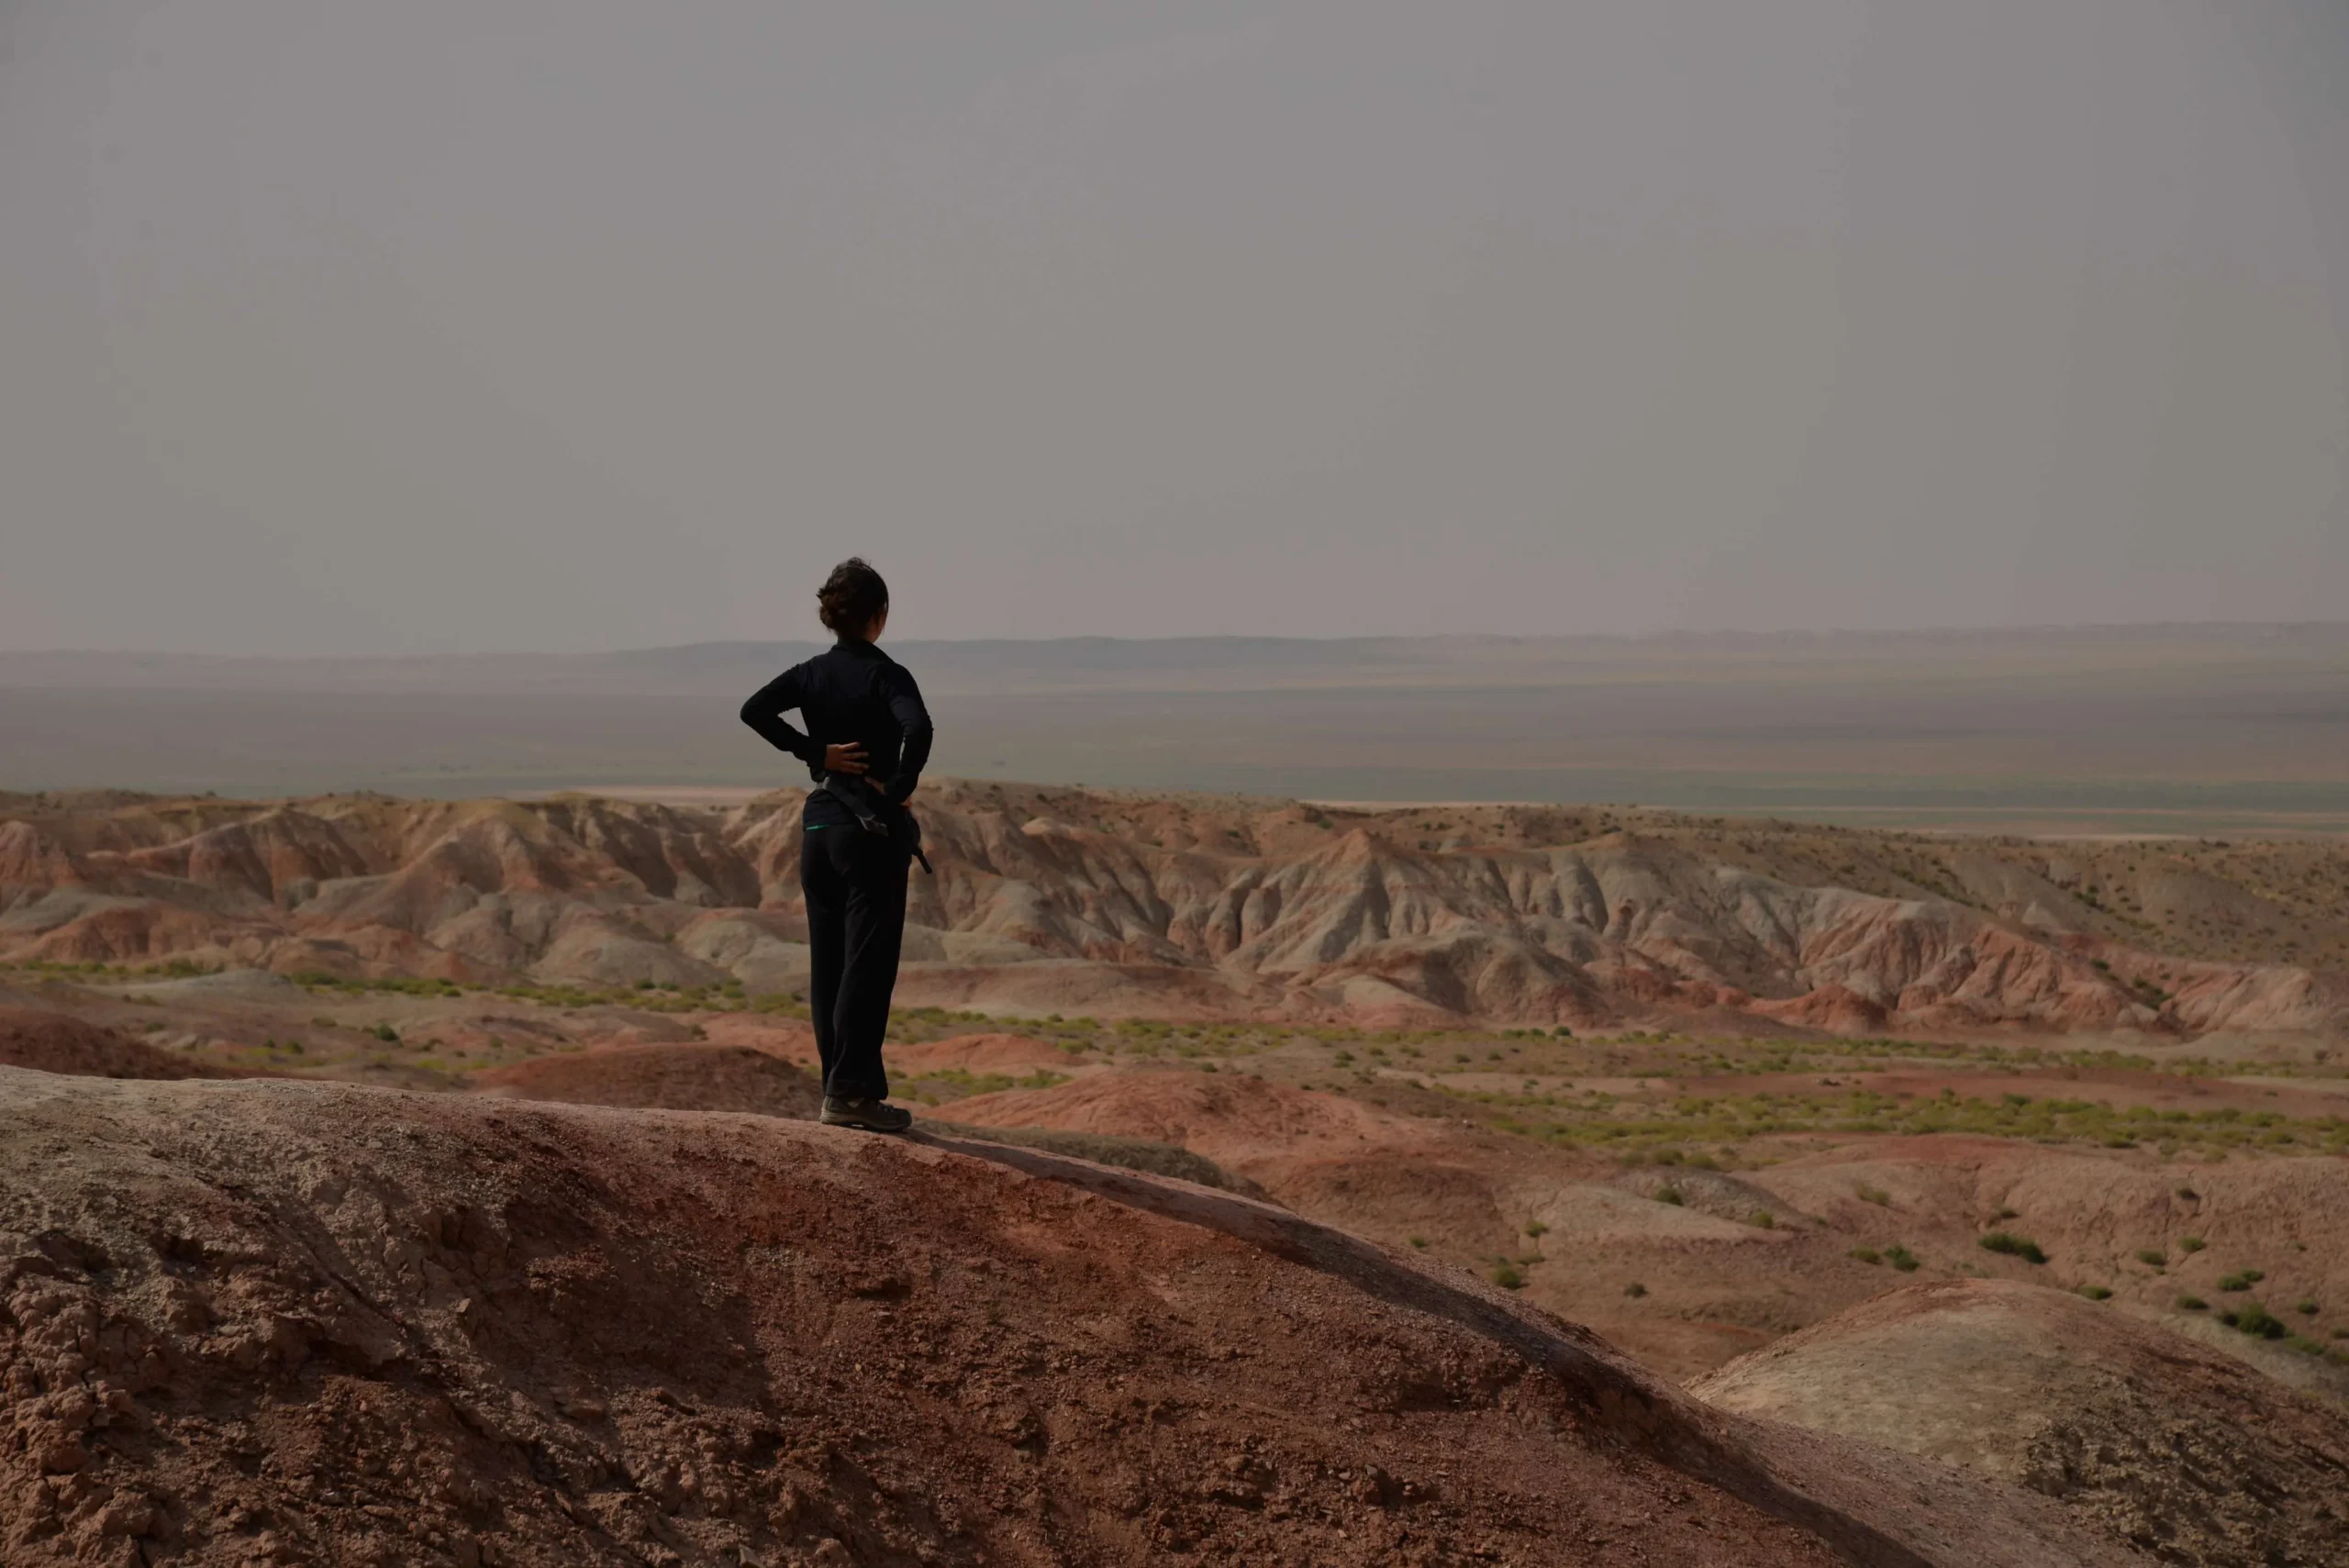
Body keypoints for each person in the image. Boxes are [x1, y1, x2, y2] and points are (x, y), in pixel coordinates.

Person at [739, 558, 932, 1132]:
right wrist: (898, 790)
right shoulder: (887, 674)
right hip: (868, 834)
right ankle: (851, 1094)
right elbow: (919, 729)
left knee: (829, 967)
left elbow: (753, 711)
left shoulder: (810, 673)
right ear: (879, 616)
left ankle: (839, 1091)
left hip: (818, 828)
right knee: (866, 966)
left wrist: (814, 753)